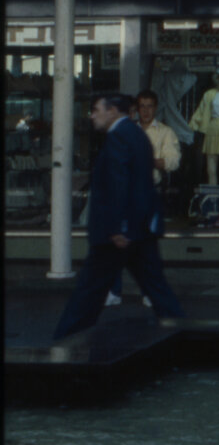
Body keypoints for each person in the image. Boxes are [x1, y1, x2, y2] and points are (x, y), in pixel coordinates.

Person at [54, 93, 185, 340]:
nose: (92, 115)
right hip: (140, 230)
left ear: (112, 110)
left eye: (96, 110)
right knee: (157, 290)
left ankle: (62, 342)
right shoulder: (137, 136)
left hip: (117, 233)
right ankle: (185, 334)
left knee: (88, 292)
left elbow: (118, 183)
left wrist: (117, 226)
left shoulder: (119, 137)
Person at [106, 88, 182, 306]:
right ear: (136, 109)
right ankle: (114, 292)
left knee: (145, 247)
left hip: (147, 193)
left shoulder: (165, 133)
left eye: (150, 106)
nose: (146, 111)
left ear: (155, 108)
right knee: (117, 244)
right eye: (142, 107)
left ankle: (150, 293)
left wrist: (146, 160)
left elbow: (173, 160)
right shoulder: (127, 130)